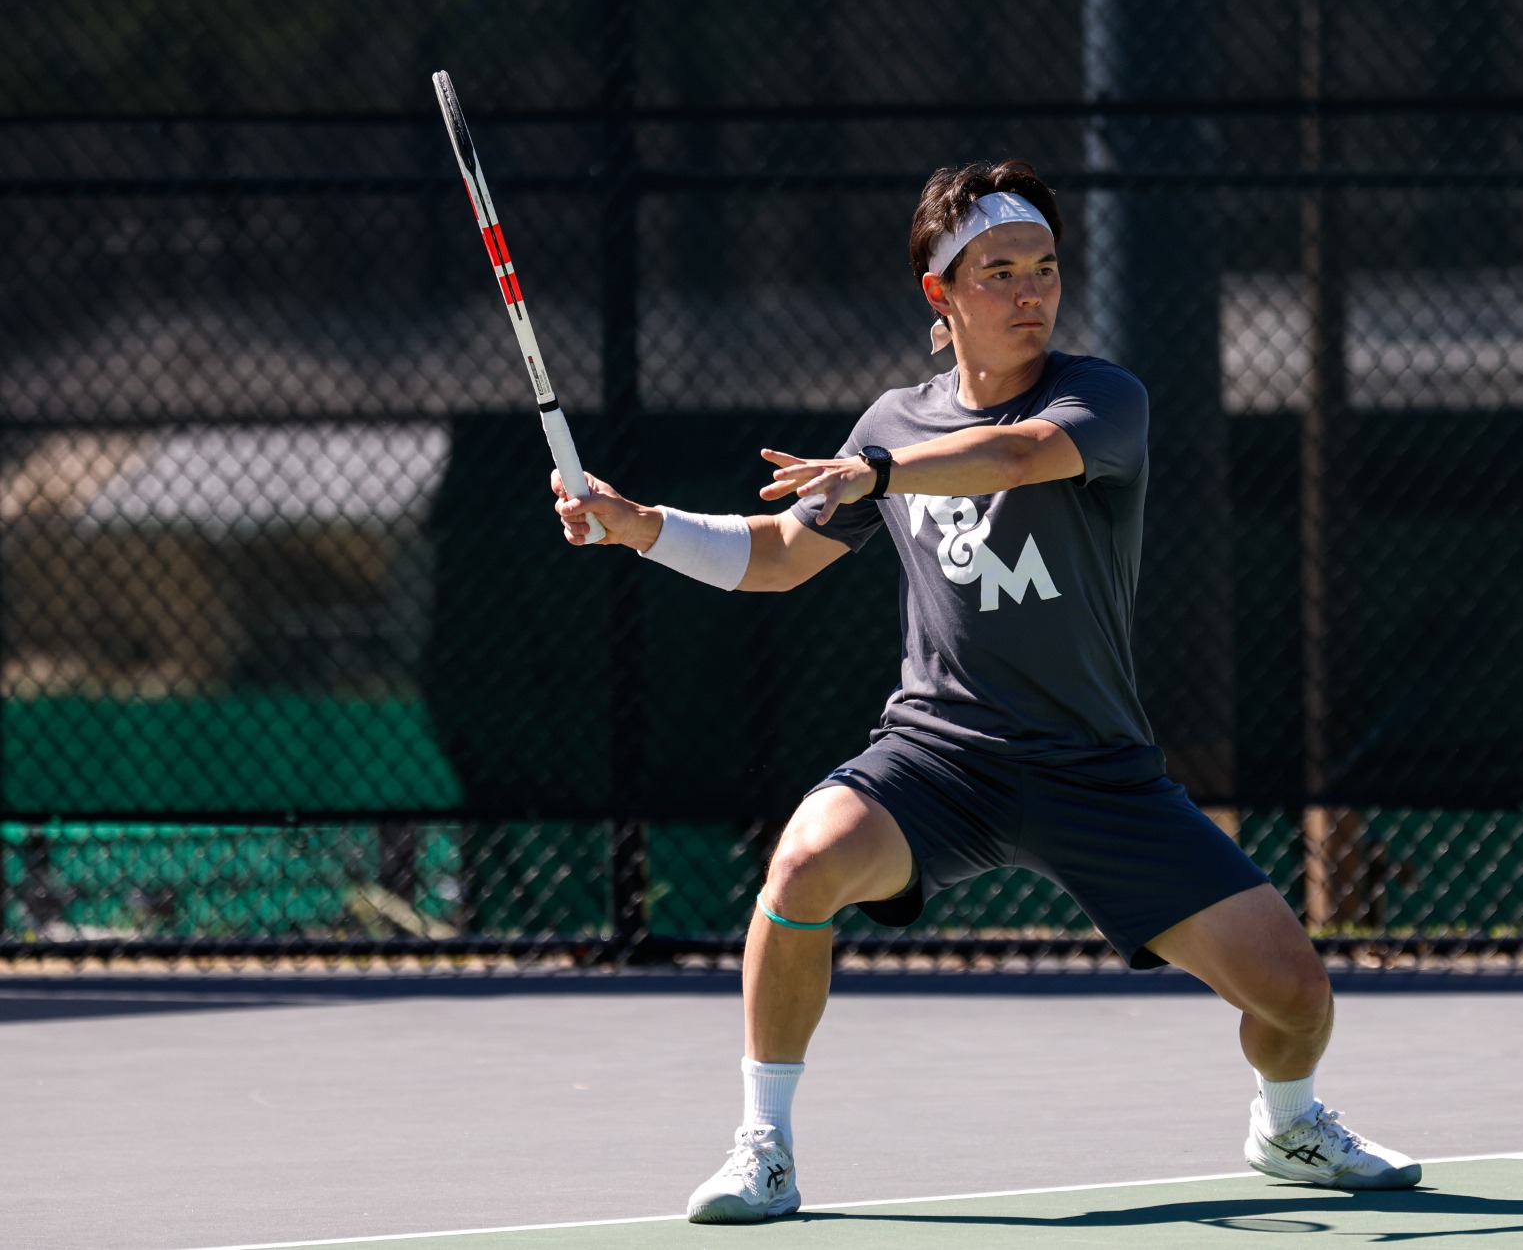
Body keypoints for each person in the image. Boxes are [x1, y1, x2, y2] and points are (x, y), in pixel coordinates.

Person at [550, 159, 1420, 1224]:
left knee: (1295, 995)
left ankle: (1287, 1120)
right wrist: (639, 526)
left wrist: (880, 472)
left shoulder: (1101, 397)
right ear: (940, 294)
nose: (1028, 294)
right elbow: (778, 552)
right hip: (938, 758)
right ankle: (762, 1146)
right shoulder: (890, 420)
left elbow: (1013, 457)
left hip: (1094, 769)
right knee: (806, 857)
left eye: (1043, 269)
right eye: (998, 272)